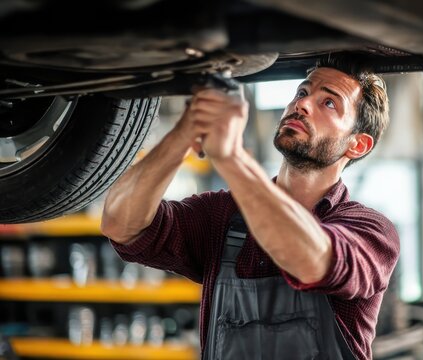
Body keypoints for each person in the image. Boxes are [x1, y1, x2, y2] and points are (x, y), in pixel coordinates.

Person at [101, 55, 400, 360]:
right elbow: (121, 224)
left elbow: (312, 261)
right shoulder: (223, 215)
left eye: (329, 104)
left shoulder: (372, 231)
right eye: (302, 92)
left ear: (357, 144)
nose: (303, 104)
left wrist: (232, 157)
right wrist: (186, 131)